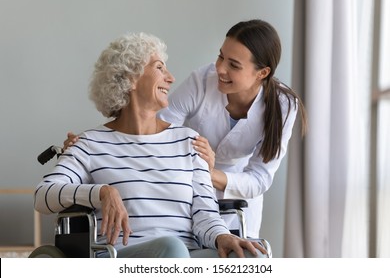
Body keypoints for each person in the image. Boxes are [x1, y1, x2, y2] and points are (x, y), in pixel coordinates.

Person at [64, 19, 308, 239]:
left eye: (233, 65)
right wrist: (88, 150)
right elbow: (154, 128)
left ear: (262, 73)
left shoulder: (284, 107)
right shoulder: (203, 81)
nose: (220, 69)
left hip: (233, 198)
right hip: (185, 192)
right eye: (221, 56)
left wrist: (207, 172)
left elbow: (260, 178)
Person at [34, 32, 266, 258]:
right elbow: (43, 195)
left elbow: (205, 214)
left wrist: (222, 237)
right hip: (123, 256)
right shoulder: (90, 143)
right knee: (172, 249)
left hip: (188, 254)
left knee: (250, 256)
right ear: (130, 78)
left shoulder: (188, 141)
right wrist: (101, 192)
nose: (171, 77)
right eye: (159, 67)